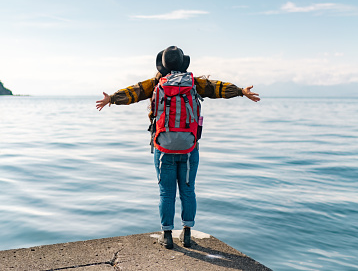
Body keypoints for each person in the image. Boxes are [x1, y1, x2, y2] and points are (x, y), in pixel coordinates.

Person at [96, 46, 259, 249]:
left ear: (163, 64)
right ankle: (187, 234)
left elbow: (134, 92)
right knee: (188, 191)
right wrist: (241, 91)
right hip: (189, 147)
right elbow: (217, 87)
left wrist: (111, 98)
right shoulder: (194, 83)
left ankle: (167, 235)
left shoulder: (156, 83)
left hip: (163, 148)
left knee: (166, 193)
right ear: (183, 64)